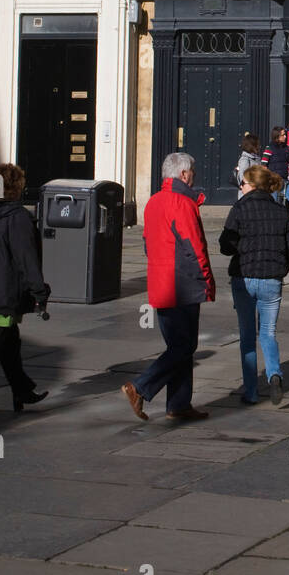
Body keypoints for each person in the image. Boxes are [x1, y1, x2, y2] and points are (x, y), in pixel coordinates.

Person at [121, 153, 215, 422]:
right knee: (184, 346)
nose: (194, 175)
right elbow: (194, 247)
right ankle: (140, 387)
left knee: (180, 345)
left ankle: (179, 403)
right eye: (192, 171)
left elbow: (148, 244)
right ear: (183, 175)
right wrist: (206, 280)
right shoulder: (182, 202)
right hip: (182, 283)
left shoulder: (153, 201)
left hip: (161, 281)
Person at [219, 164, 289, 406]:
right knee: (268, 333)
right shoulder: (280, 210)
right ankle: (274, 374)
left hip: (244, 277)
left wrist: (241, 246)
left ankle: (251, 392)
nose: (240, 187)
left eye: (242, 183)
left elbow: (225, 245)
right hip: (272, 277)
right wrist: (281, 269)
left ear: (252, 185)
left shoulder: (240, 208)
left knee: (247, 336)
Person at [0, 164, 50, 414]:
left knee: (9, 344)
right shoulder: (18, 218)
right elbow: (27, 259)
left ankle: (22, 390)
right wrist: (40, 291)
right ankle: (21, 390)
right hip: (2, 296)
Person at [262, 127, 289, 204]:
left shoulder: (286, 148)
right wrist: (269, 178)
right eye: (283, 135)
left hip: (285, 180)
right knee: (273, 202)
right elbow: (263, 165)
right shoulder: (269, 148)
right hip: (273, 181)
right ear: (277, 136)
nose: (285, 136)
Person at [234, 133, 261, 198]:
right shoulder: (245, 159)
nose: (259, 146)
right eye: (257, 144)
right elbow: (243, 178)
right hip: (247, 195)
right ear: (252, 145)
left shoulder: (256, 158)